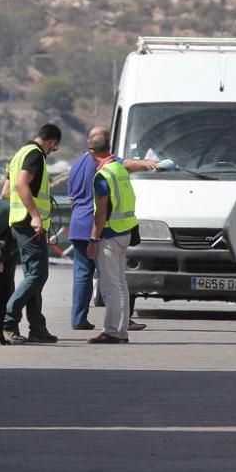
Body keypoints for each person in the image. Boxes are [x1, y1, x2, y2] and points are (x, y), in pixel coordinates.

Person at [68, 126, 158, 331]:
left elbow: (72, 196)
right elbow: (126, 165)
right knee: (111, 279)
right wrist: (148, 164)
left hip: (77, 223)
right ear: (108, 146)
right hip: (96, 226)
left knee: (83, 274)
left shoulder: (75, 165)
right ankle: (120, 321)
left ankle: (78, 318)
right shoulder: (105, 164)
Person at [1, 123, 62, 344]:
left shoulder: (19, 154)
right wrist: (35, 214)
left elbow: (6, 192)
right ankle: (7, 321)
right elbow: (21, 185)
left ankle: (37, 328)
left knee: (32, 276)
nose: (52, 151)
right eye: (54, 148)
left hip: (18, 222)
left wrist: (26, 207)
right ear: (53, 142)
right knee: (38, 275)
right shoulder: (35, 155)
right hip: (29, 224)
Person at [86, 127, 141, 344]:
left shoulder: (103, 176)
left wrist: (93, 239)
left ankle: (113, 331)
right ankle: (122, 329)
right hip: (125, 231)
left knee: (110, 285)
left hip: (110, 234)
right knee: (120, 283)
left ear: (91, 152)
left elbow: (101, 213)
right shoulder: (119, 168)